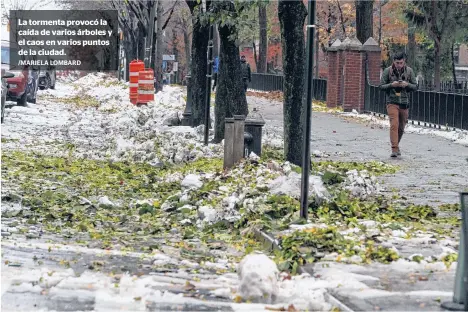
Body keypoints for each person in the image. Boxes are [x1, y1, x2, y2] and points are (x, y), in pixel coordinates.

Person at [379, 52, 417, 158]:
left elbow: (415, 87)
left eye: (401, 62)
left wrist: (407, 84)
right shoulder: (388, 71)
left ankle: (397, 145)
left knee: (401, 128)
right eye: (397, 63)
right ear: (393, 61)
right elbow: (381, 86)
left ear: (404, 61)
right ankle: (394, 149)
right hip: (392, 101)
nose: (399, 65)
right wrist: (392, 85)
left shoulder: (409, 71)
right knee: (394, 124)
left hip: (404, 103)